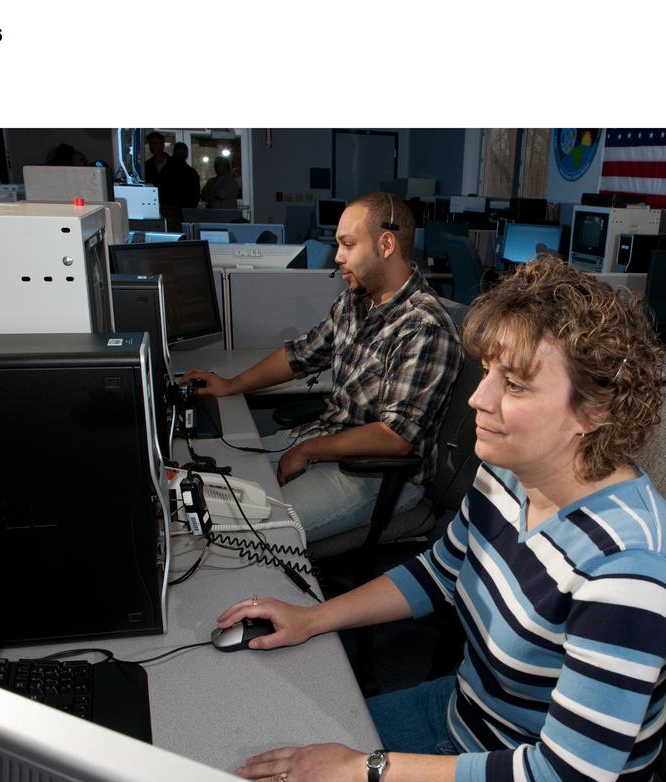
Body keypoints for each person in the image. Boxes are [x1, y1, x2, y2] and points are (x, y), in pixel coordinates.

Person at [218, 255, 666, 782]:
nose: (478, 398)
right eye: (489, 371)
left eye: (515, 385)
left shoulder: (629, 572)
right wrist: (313, 618)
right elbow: (440, 572)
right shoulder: (506, 472)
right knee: (244, 781)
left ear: (596, 411)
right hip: (464, 718)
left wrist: (365, 773)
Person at [178, 192, 462, 544]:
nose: (338, 257)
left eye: (347, 244)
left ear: (386, 243)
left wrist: (307, 451)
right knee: (210, 486)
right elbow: (301, 355)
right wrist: (231, 384)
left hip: (379, 475)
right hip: (325, 439)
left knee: (247, 532)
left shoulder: (424, 327)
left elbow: (396, 437)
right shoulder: (355, 302)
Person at [166, 142, 202, 209]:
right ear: (186, 155)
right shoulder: (192, 173)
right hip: (187, 210)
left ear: (174, 153)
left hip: (170, 209)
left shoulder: (167, 170)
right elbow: (195, 195)